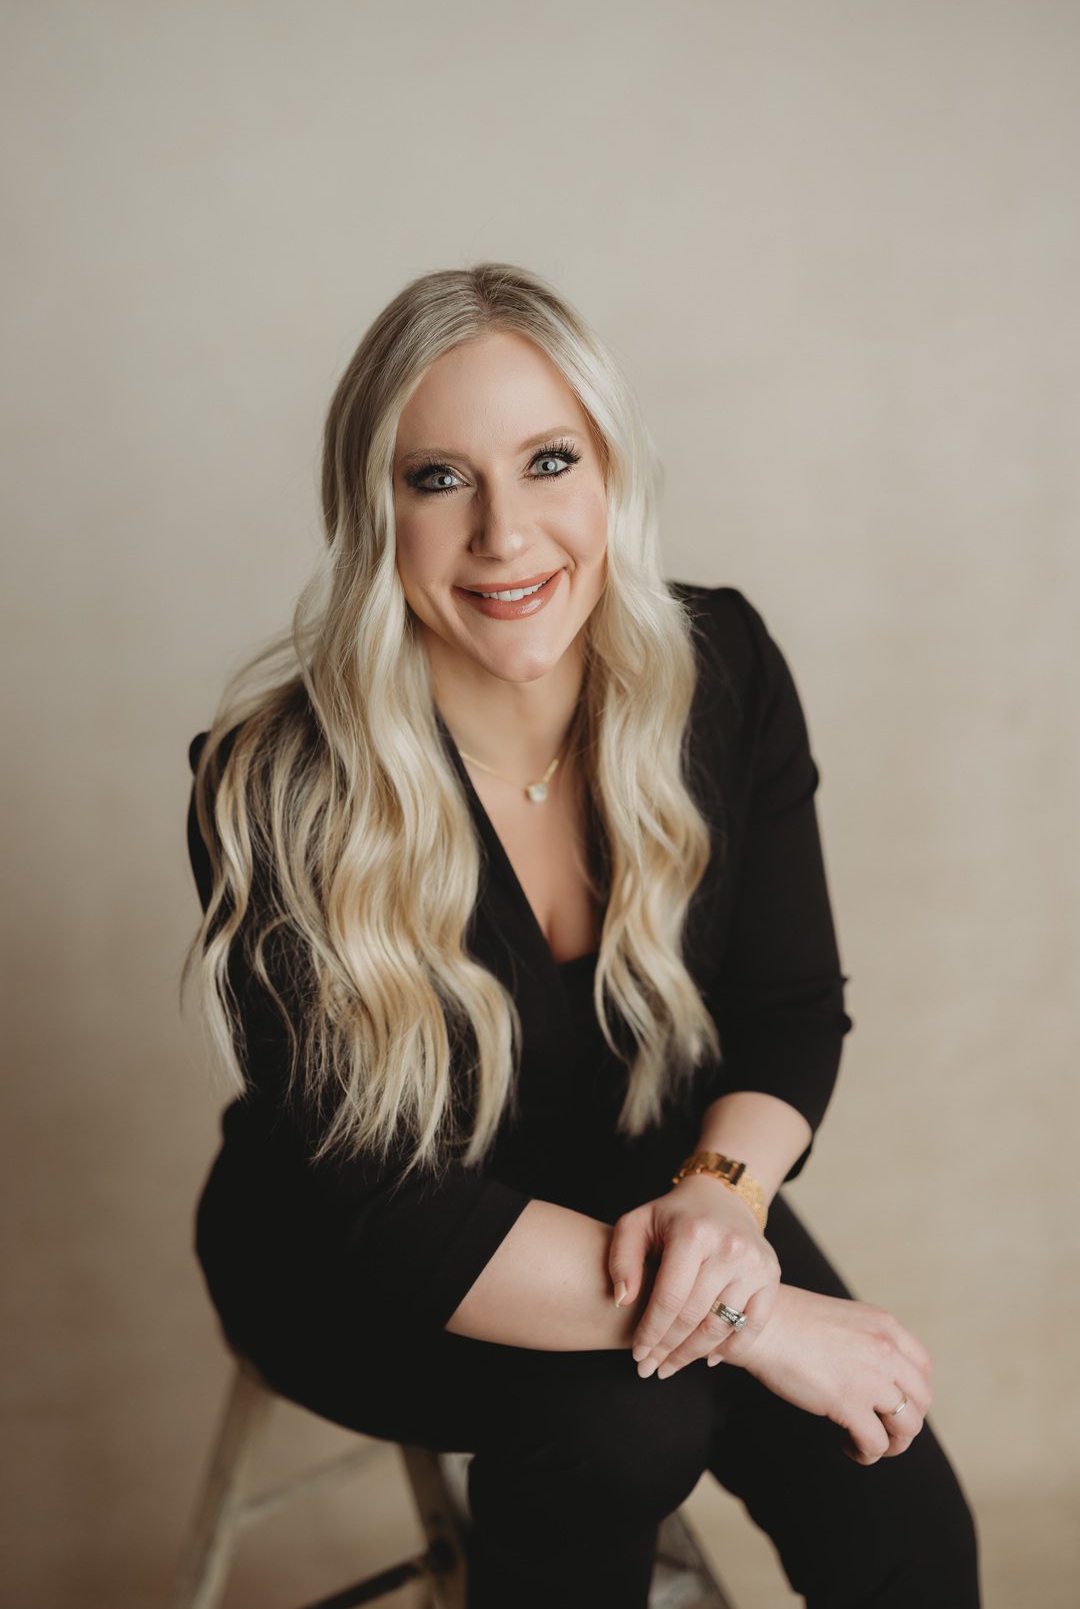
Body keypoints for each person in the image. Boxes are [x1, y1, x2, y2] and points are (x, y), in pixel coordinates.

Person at [182, 261, 982, 1608]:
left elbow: (790, 1009)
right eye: (439, 478)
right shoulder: (276, 787)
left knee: (902, 1519)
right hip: (356, 1254)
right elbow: (391, 1209)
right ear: (371, 513)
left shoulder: (720, 672)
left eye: (547, 461)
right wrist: (759, 1318)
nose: (506, 533)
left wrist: (721, 1205)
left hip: (651, 1187)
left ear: (610, 473)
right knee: (627, 1424)